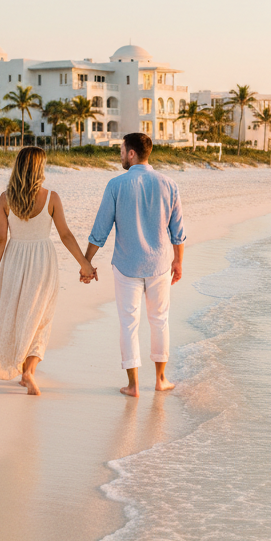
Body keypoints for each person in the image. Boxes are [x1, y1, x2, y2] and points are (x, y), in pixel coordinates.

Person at [0, 146, 95, 395]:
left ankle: (23, 369)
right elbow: (65, 234)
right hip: (42, 260)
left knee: (18, 314)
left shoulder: (5, 198)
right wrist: (84, 264)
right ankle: (29, 371)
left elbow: (0, 238)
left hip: (14, 259)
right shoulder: (51, 198)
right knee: (40, 316)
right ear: (39, 168)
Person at [84, 132, 186, 396]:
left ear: (131, 153)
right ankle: (161, 380)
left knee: (129, 323)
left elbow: (100, 230)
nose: (120, 155)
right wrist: (178, 261)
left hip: (126, 266)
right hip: (159, 265)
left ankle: (133, 385)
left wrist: (86, 261)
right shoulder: (169, 184)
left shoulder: (116, 185)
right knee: (159, 320)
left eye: (121, 151)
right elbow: (178, 232)